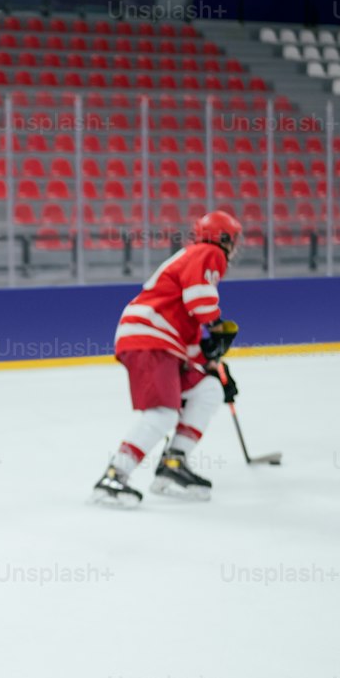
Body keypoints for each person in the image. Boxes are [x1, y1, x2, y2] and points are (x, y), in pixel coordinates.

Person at [92, 210, 242, 505]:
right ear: (223, 238)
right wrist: (218, 325)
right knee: (163, 412)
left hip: (162, 340)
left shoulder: (193, 258)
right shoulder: (209, 253)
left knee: (208, 389)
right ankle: (113, 477)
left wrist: (209, 362)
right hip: (150, 339)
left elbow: (189, 329)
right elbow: (200, 300)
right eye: (234, 239)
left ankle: (173, 465)